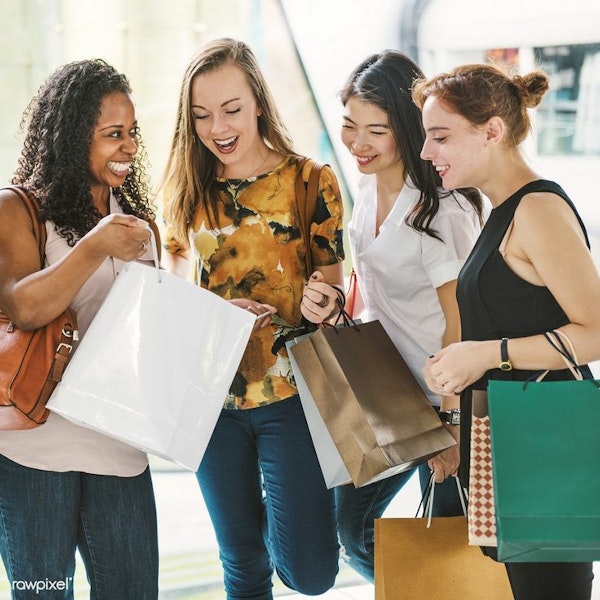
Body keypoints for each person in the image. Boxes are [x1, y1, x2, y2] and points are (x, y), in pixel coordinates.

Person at [159, 38, 344, 600]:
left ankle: (273, 512)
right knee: (240, 562)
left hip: (292, 398)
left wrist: (322, 301)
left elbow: (333, 286)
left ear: (258, 103)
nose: (217, 127)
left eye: (231, 109)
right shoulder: (186, 191)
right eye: (201, 115)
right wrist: (212, 313)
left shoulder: (312, 181)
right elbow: (169, 294)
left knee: (311, 574)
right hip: (210, 400)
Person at [414, 63, 600, 600]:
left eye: (441, 137)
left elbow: (596, 331)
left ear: (492, 131)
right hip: (520, 439)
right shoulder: (503, 211)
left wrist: (486, 355)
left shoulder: (537, 209)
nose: (428, 153)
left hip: (544, 443)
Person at [0, 59, 159, 599]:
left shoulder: (138, 225)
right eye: (113, 134)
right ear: (71, 138)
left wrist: (217, 316)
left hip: (119, 449)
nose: (129, 147)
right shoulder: (19, 208)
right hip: (35, 452)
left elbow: (148, 330)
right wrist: (93, 246)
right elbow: (23, 308)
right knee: (42, 592)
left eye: (132, 132)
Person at [335, 49, 484, 582]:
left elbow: (459, 323)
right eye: (350, 125)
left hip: (448, 398)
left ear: (408, 127)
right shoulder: (366, 185)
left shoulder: (442, 207)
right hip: (391, 393)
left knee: (448, 548)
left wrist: (449, 423)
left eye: (376, 130)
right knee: (352, 530)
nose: (358, 143)